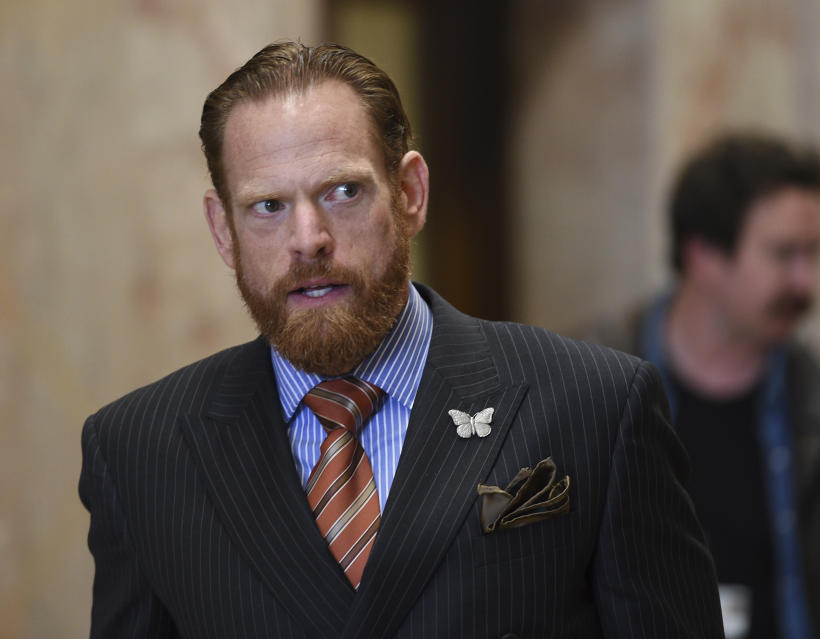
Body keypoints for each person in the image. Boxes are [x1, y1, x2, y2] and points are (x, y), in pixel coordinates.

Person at [78, 41, 724, 639]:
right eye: (268, 206)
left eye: (342, 191)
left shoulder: (596, 405)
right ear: (223, 230)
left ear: (410, 193)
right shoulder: (140, 452)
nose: (308, 238)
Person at [583, 132, 820, 639]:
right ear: (703, 256)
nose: (807, 283)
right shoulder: (584, 393)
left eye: (813, 255)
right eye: (784, 254)